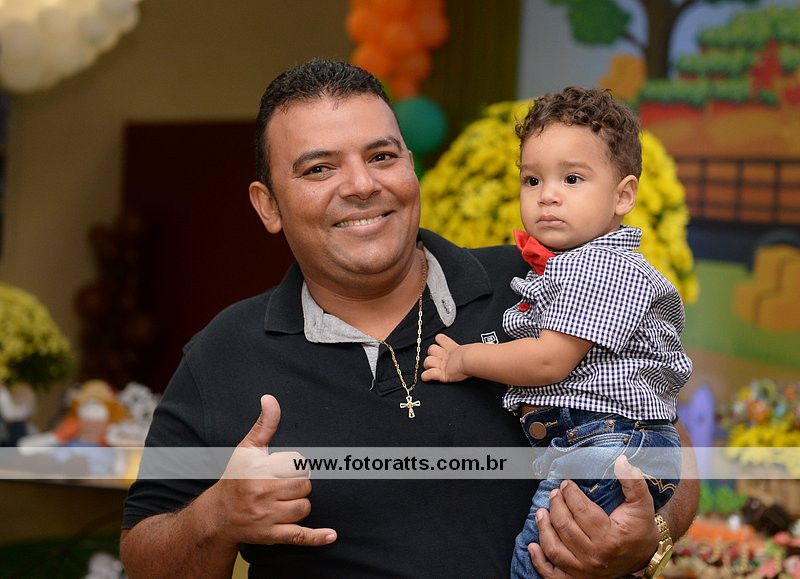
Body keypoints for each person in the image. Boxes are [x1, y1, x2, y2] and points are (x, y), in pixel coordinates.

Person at [119, 60, 698, 578]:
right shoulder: (224, 353)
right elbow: (144, 554)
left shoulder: (536, 288)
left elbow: (667, 442)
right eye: (319, 168)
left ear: (411, 168)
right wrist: (217, 517)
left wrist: (647, 540)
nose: (362, 185)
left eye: (381, 157)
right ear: (268, 205)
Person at [421, 86, 692, 578]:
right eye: (532, 179)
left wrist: (464, 359)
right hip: (608, 443)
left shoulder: (599, 266)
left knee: (537, 560)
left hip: (603, 445)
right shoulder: (568, 266)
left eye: (572, 178)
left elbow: (549, 360)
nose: (547, 194)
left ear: (623, 195)